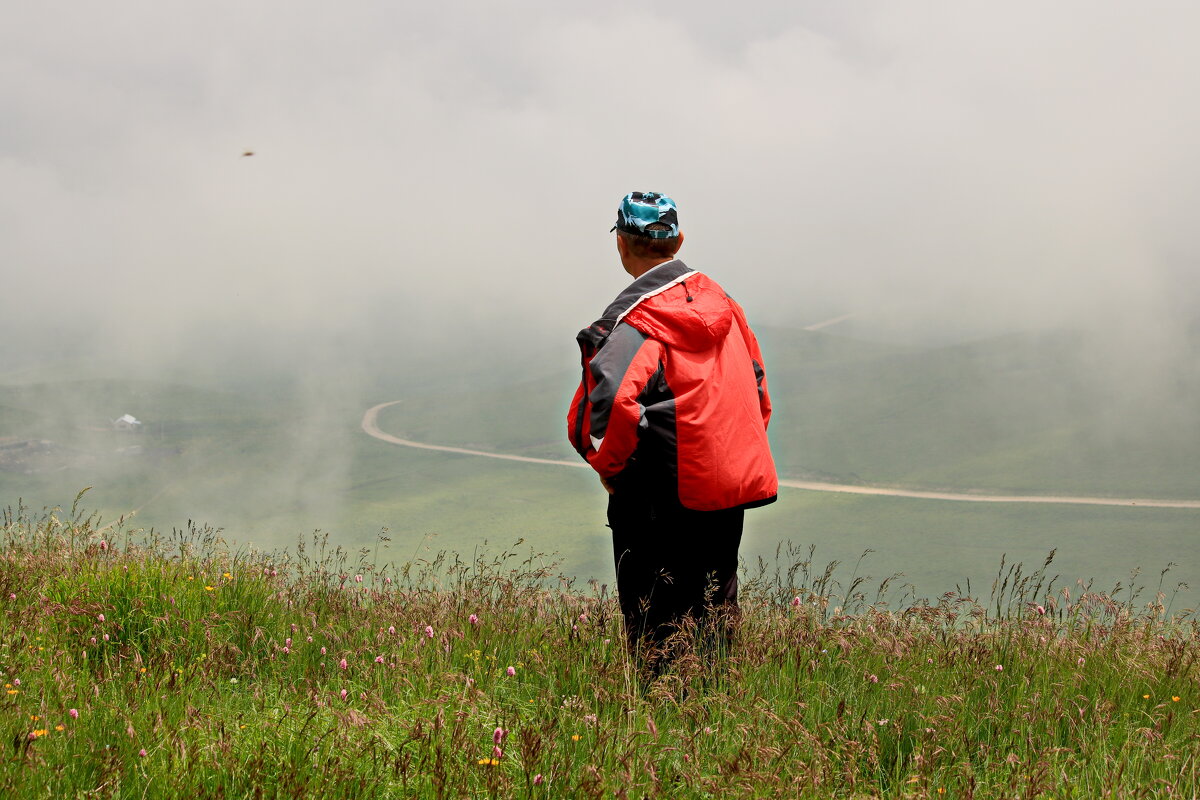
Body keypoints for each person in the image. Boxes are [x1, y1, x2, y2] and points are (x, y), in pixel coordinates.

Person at [567, 191, 778, 672]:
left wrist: (610, 469)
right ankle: (716, 713)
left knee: (653, 619)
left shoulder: (635, 323)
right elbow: (757, 389)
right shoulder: (726, 306)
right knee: (716, 607)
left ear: (622, 244)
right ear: (678, 239)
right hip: (725, 487)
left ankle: (660, 718)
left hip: (657, 495)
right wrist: (730, 456)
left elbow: (612, 403)